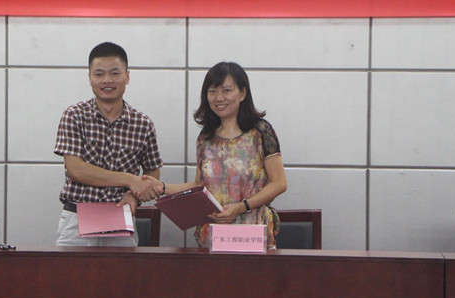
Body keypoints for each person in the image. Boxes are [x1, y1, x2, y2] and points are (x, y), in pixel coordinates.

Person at [159, 62, 287, 249]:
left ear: (242, 93)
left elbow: (279, 183)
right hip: (213, 237)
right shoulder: (205, 137)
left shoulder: (260, 131)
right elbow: (199, 186)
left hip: (253, 237)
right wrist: (161, 187)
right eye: (212, 91)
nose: (219, 98)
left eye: (227, 90)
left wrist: (241, 207)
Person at [53, 42, 164, 246]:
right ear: (89, 78)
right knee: (70, 269)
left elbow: (152, 173)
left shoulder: (143, 123)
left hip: (121, 216)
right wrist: (129, 179)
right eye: (99, 74)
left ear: (127, 76)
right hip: (78, 216)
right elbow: (76, 170)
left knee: (122, 269)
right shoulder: (74, 116)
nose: (107, 80)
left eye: (114, 73)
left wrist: (135, 197)